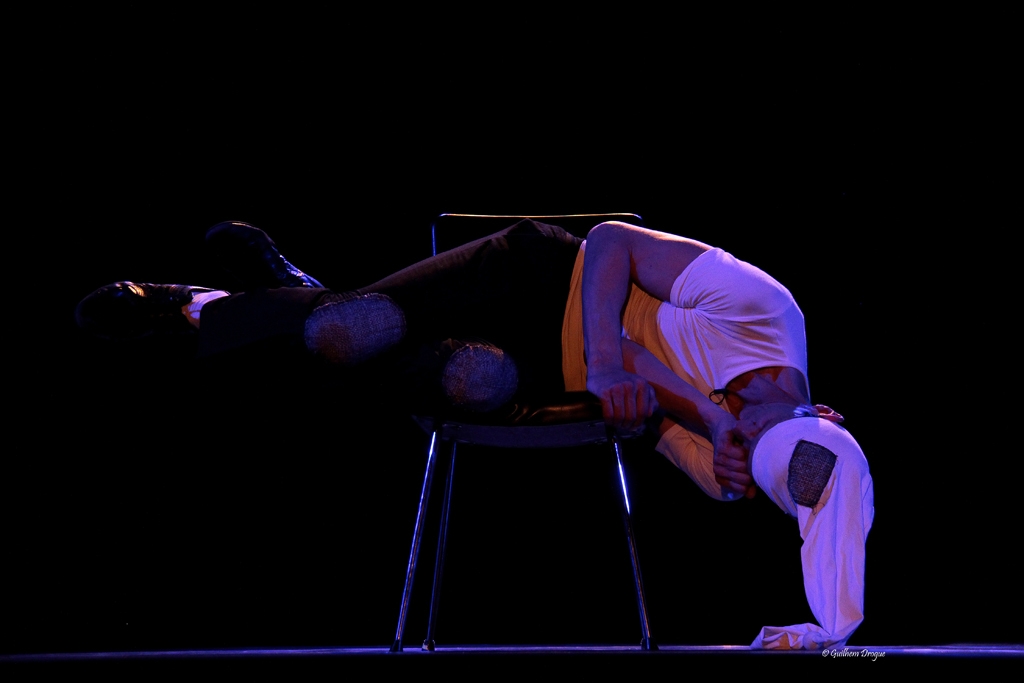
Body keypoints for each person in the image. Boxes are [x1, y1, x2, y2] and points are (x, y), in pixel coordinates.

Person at [75, 218, 874, 650]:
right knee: (355, 330)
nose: (756, 462)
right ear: (814, 409)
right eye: (784, 450)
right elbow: (611, 241)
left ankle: (294, 296)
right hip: (537, 276)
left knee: (366, 341)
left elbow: (662, 425)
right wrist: (607, 362)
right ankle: (190, 305)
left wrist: (694, 430)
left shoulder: (730, 444)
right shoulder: (769, 312)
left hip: (530, 374)